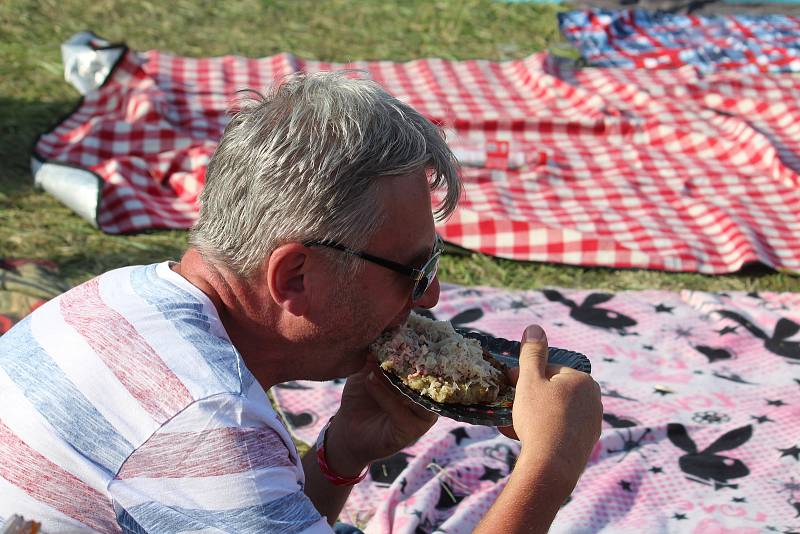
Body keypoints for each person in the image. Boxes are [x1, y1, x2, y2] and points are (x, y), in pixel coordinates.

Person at [0, 72, 602, 534]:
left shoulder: (123, 293)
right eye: (413, 270)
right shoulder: (206, 421)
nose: (433, 295)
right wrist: (548, 469)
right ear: (294, 274)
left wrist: (342, 454)